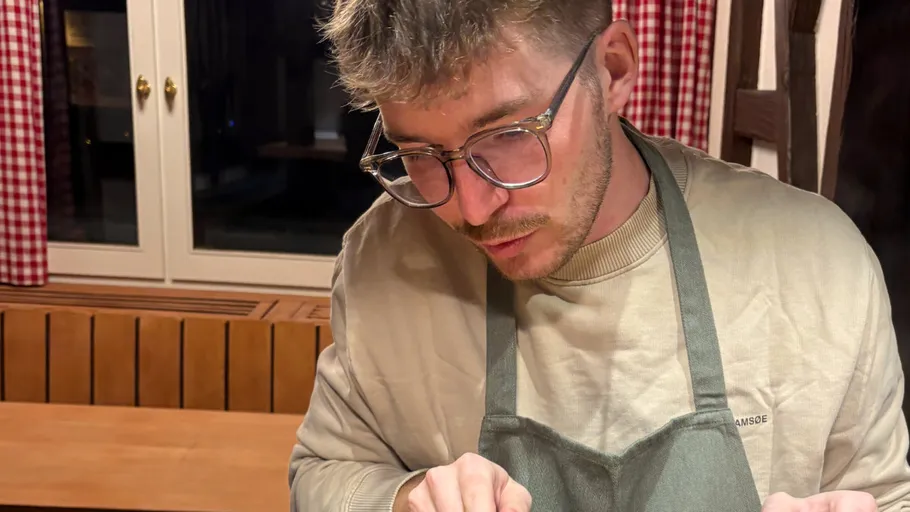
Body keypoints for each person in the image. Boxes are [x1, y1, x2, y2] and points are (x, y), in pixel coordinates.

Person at [288, 0, 910, 510]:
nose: (471, 210)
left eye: (507, 137)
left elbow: (885, 496)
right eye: (421, 154)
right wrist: (405, 499)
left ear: (613, 70)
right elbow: (325, 470)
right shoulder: (385, 258)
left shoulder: (819, 267)